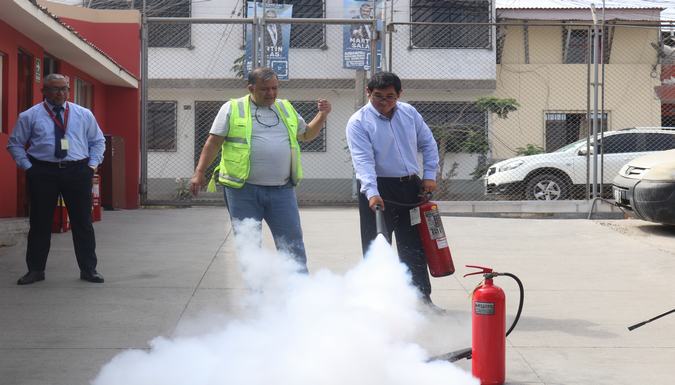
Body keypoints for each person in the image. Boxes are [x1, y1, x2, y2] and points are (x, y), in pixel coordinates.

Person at [190, 67, 331, 272]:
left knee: (292, 245)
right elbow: (213, 143)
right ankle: (257, 296)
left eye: (275, 88)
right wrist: (199, 172)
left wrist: (322, 115)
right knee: (249, 247)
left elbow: (307, 135)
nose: (271, 94)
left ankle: (300, 294)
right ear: (251, 88)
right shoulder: (232, 108)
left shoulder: (285, 108)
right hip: (242, 191)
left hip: (282, 190)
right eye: (265, 89)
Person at [345, 71, 440, 303]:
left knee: (414, 246)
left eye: (390, 97)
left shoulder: (409, 113)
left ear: (399, 94)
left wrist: (429, 176)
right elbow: (363, 160)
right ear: (368, 93)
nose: (384, 103)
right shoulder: (358, 122)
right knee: (377, 246)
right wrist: (372, 192)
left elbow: (428, 143)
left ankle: (421, 299)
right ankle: (378, 302)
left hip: (411, 188)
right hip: (378, 190)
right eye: (378, 96)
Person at [7, 73, 106, 285]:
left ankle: (89, 269)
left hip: (77, 171)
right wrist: (29, 168)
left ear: (69, 91)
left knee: (83, 223)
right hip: (43, 173)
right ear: (44, 91)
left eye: (64, 89)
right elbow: (15, 143)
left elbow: (98, 141)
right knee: (40, 223)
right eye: (55, 89)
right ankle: (35, 270)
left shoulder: (83, 114)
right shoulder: (30, 116)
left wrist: (91, 166)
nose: (60, 93)